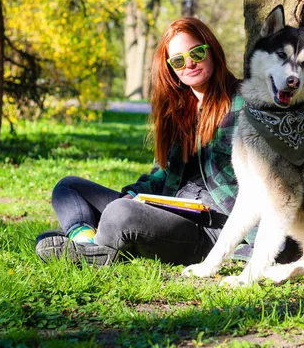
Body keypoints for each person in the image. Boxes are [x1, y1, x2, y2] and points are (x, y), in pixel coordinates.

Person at [35, 17, 258, 266]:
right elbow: (162, 175)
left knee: (119, 214)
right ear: (170, 68)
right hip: (170, 206)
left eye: (196, 52)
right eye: (178, 60)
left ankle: (94, 247)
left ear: (212, 50)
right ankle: (88, 244)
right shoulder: (180, 112)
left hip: (214, 226)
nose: (190, 63)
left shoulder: (244, 103)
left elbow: (265, 180)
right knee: (69, 187)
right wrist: (133, 194)